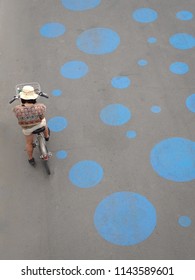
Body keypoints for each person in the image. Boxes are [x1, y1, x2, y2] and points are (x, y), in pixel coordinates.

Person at [13, 85, 50, 166]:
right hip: (39, 124)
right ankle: (46, 136)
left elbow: (17, 116)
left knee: (29, 143)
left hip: (27, 129)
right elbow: (42, 116)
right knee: (44, 122)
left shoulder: (17, 109)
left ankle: (30, 159)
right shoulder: (41, 107)